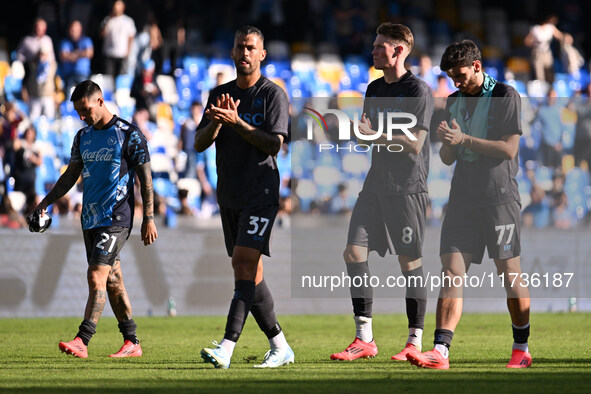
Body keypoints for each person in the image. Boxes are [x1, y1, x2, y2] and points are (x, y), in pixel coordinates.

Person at [406, 40, 531, 369]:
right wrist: (450, 143)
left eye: (459, 75)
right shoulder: (453, 101)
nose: (455, 82)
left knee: (509, 274)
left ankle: (521, 348)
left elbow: (509, 150)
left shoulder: (505, 96)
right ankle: (440, 351)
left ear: (477, 66)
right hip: (462, 199)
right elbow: (448, 157)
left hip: (499, 199)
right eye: (449, 77)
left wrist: (465, 140)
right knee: (450, 273)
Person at [26, 80, 158, 358]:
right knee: (112, 280)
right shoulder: (82, 137)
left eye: (85, 110)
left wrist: (149, 217)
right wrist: (44, 203)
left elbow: (146, 178)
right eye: (78, 112)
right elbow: (69, 176)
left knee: (96, 274)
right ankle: (132, 342)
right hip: (91, 219)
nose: (82, 116)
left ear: (100, 101)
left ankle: (82, 339)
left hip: (116, 217)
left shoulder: (129, 134)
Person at [329, 23, 433, 362]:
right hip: (375, 185)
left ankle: (413, 343)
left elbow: (415, 145)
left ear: (398, 51)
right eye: (374, 46)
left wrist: (376, 135)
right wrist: (364, 134)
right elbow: (365, 134)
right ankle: (364, 340)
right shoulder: (373, 89)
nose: (373, 52)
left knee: (410, 262)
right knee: (353, 253)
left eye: (379, 47)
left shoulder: (418, 90)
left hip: (407, 189)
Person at [195, 25, 293, 369]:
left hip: (261, 193)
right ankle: (280, 346)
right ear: (233, 52)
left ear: (262, 54)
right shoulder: (218, 93)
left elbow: (274, 144)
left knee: (243, 264)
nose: (245, 53)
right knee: (250, 274)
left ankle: (226, 347)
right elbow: (198, 143)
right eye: (240, 47)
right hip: (229, 195)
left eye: (251, 47)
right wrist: (217, 124)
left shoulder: (272, 95)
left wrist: (237, 122)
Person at [16, 18, 55, 105]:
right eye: (37, 28)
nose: (39, 30)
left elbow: (52, 58)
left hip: (45, 75)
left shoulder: (48, 40)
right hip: (31, 71)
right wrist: (31, 59)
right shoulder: (27, 40)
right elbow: (18, 56)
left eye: (41, 28)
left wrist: (44, 60)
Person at [100, 0, 137, 79]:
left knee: (121, 77)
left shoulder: (128, 21)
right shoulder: (107, 19)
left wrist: (128, 51)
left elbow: (131, 37)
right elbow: (102, 34)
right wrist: (107, 21)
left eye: (118, 5)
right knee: (108, 76)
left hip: (122, 54)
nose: (115, 7)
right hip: (109, 53)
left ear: (123, 7)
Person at [524, 14, 566, 83]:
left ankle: (550, 91)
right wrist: (534, 43)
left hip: (547, 53)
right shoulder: (535, 29)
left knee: (549, 74)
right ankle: (542, 91)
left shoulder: (550, 28)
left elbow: (560, 36)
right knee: (540, 76)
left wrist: (566, 37)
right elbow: (527, 41)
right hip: (538, 53)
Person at [59, 20, 94, 97]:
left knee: (84, 96)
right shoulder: (65, 42)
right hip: (68, 75)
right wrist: (81, 53)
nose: (72, 31)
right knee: (68, 97)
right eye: (71, 29)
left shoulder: (86, 40)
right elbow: (63, 56)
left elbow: (89, 53)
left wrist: (73, 54)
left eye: (74, 29)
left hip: (83, 74)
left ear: (80, 30)